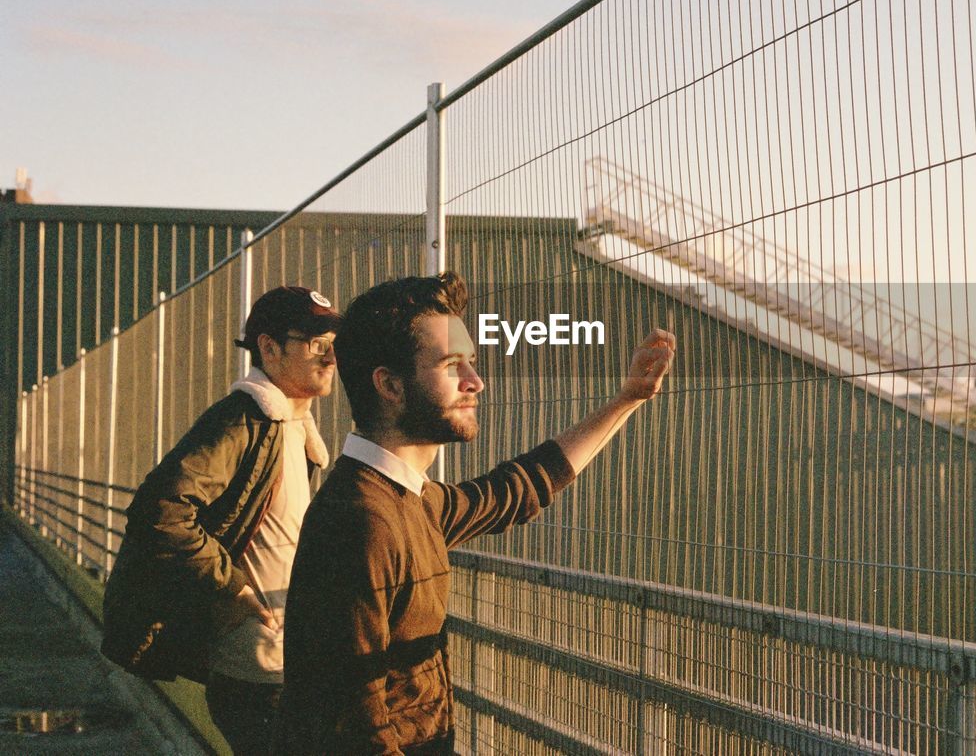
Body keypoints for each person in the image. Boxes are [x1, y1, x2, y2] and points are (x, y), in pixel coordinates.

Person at [277, 272, 674, 754]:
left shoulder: (410, 499)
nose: (476, 381)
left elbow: (517, 489)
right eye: (452, 365)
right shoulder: (361, 521)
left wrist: (625, 400)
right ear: (390, 385)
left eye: (471, 362)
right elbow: (350, 726)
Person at [102, 285, 342, 754]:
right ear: (270, 348)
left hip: (284, 664)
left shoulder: (292, 428)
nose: (331, 358)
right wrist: (231, 587)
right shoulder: (243, 421)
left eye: (334, 344)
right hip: (255, 671)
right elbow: (162, 510)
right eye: (316, 345)